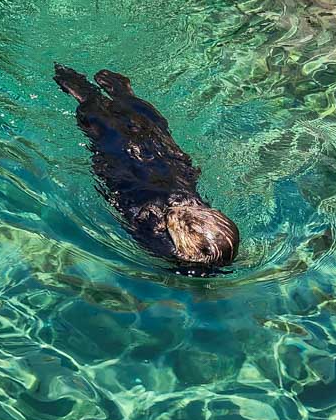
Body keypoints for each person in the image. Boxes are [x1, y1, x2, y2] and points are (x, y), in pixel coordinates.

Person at [54, 64, 239, 271]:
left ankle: (93, 95)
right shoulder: (182, 231)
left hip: (134, 171)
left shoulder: (167, 248)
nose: (176, 212)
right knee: (150, 127)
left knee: (116, 126)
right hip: (156, 169)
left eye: (180, 223)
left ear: (194, 253)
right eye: (197, 209)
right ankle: (121, 94)